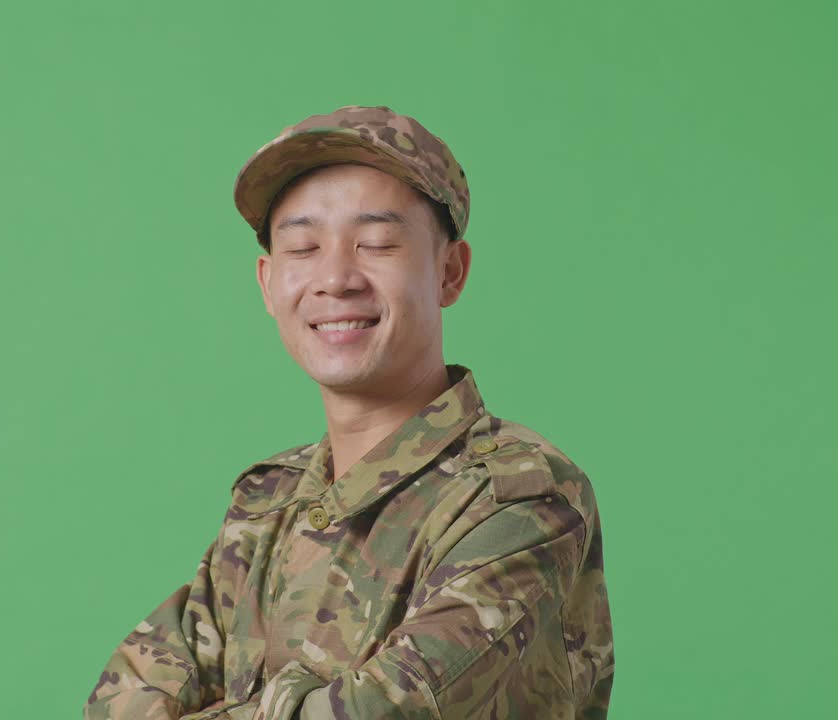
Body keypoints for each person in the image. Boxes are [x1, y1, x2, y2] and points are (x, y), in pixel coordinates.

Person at [84, 105, 614, 719]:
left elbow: (379, 711)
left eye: (377, 243)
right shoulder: (271, 501)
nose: (335, 278)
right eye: (302, 247)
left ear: (450, 271)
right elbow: (119, 697)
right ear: (267, 282)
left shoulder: (520, 497)